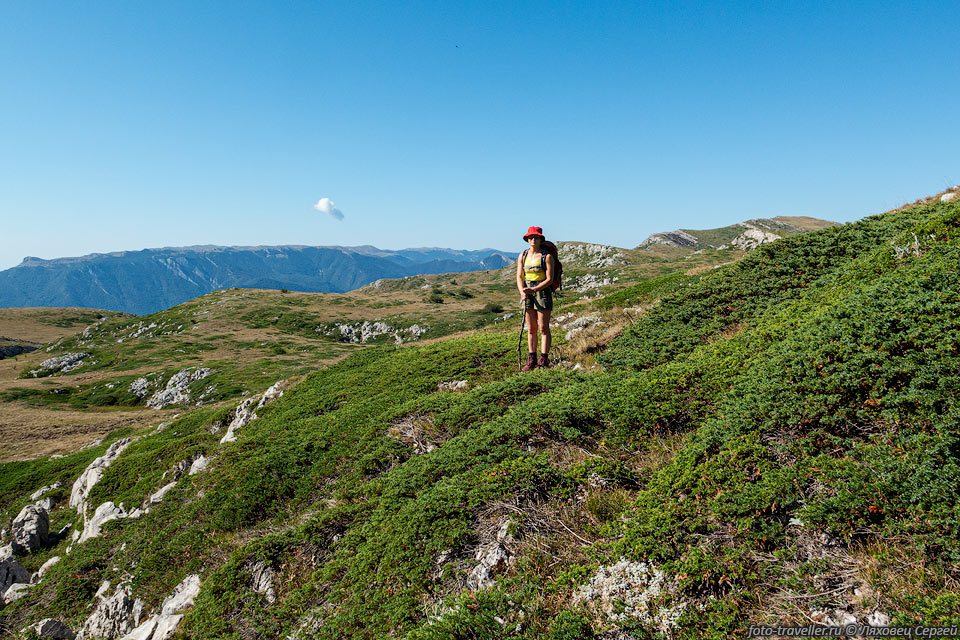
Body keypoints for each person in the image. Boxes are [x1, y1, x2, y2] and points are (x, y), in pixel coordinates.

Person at [516, 226, 556, 371]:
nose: (533, 240)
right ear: (527, 239)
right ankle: (531, 359)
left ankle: (543, 360)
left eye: (536, 237)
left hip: (542, 292)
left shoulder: (547, 257)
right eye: (531, 237)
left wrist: (534, 289)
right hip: (527, 292)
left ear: (540, 239)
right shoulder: (523, 255)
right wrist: (522, 291)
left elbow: (550, 279)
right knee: (531, 328)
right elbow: (519, 276)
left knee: (543, 328)